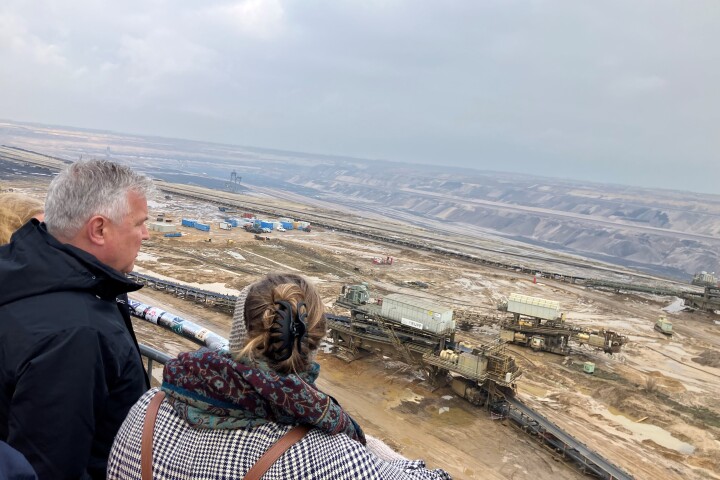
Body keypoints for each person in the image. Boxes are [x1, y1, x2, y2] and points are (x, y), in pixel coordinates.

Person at [108, 273, 451, 479]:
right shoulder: (327, 457)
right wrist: (375, 450)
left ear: (240, 330)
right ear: (314, 340)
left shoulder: (148, 407)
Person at [0, 160, 155, 479]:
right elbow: (51, 465)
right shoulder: (78, 333)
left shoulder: (22, 273)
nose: (146, 234)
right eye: (140, 223)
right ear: (99, 229)